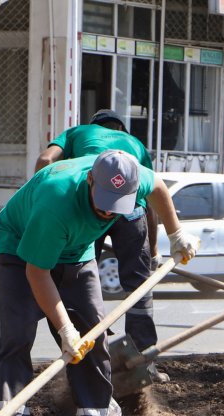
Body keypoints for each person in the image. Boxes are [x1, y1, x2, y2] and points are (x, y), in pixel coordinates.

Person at [0, 150, 198, 416]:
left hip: (77, 252)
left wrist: (176, 234)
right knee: (18, 336)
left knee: (94, 339)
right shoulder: (55, 201)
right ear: (89, 182)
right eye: (103, 204)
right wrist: (65, 329)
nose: (107, 214)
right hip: (20, 251)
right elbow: (38, 273)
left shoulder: (133, 179)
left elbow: (157, 186)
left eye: (117, 208)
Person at [36, 110, 164, 379]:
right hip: (131, 212)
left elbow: (45, 159)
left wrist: (40, 200)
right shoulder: (136, 145)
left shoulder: (77, 132)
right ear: (121, 128)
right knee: (139, 289)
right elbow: (151, 198)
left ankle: (90, 350)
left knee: (79, 277)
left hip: (90, 206)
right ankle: (145, 360)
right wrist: (152, 251)